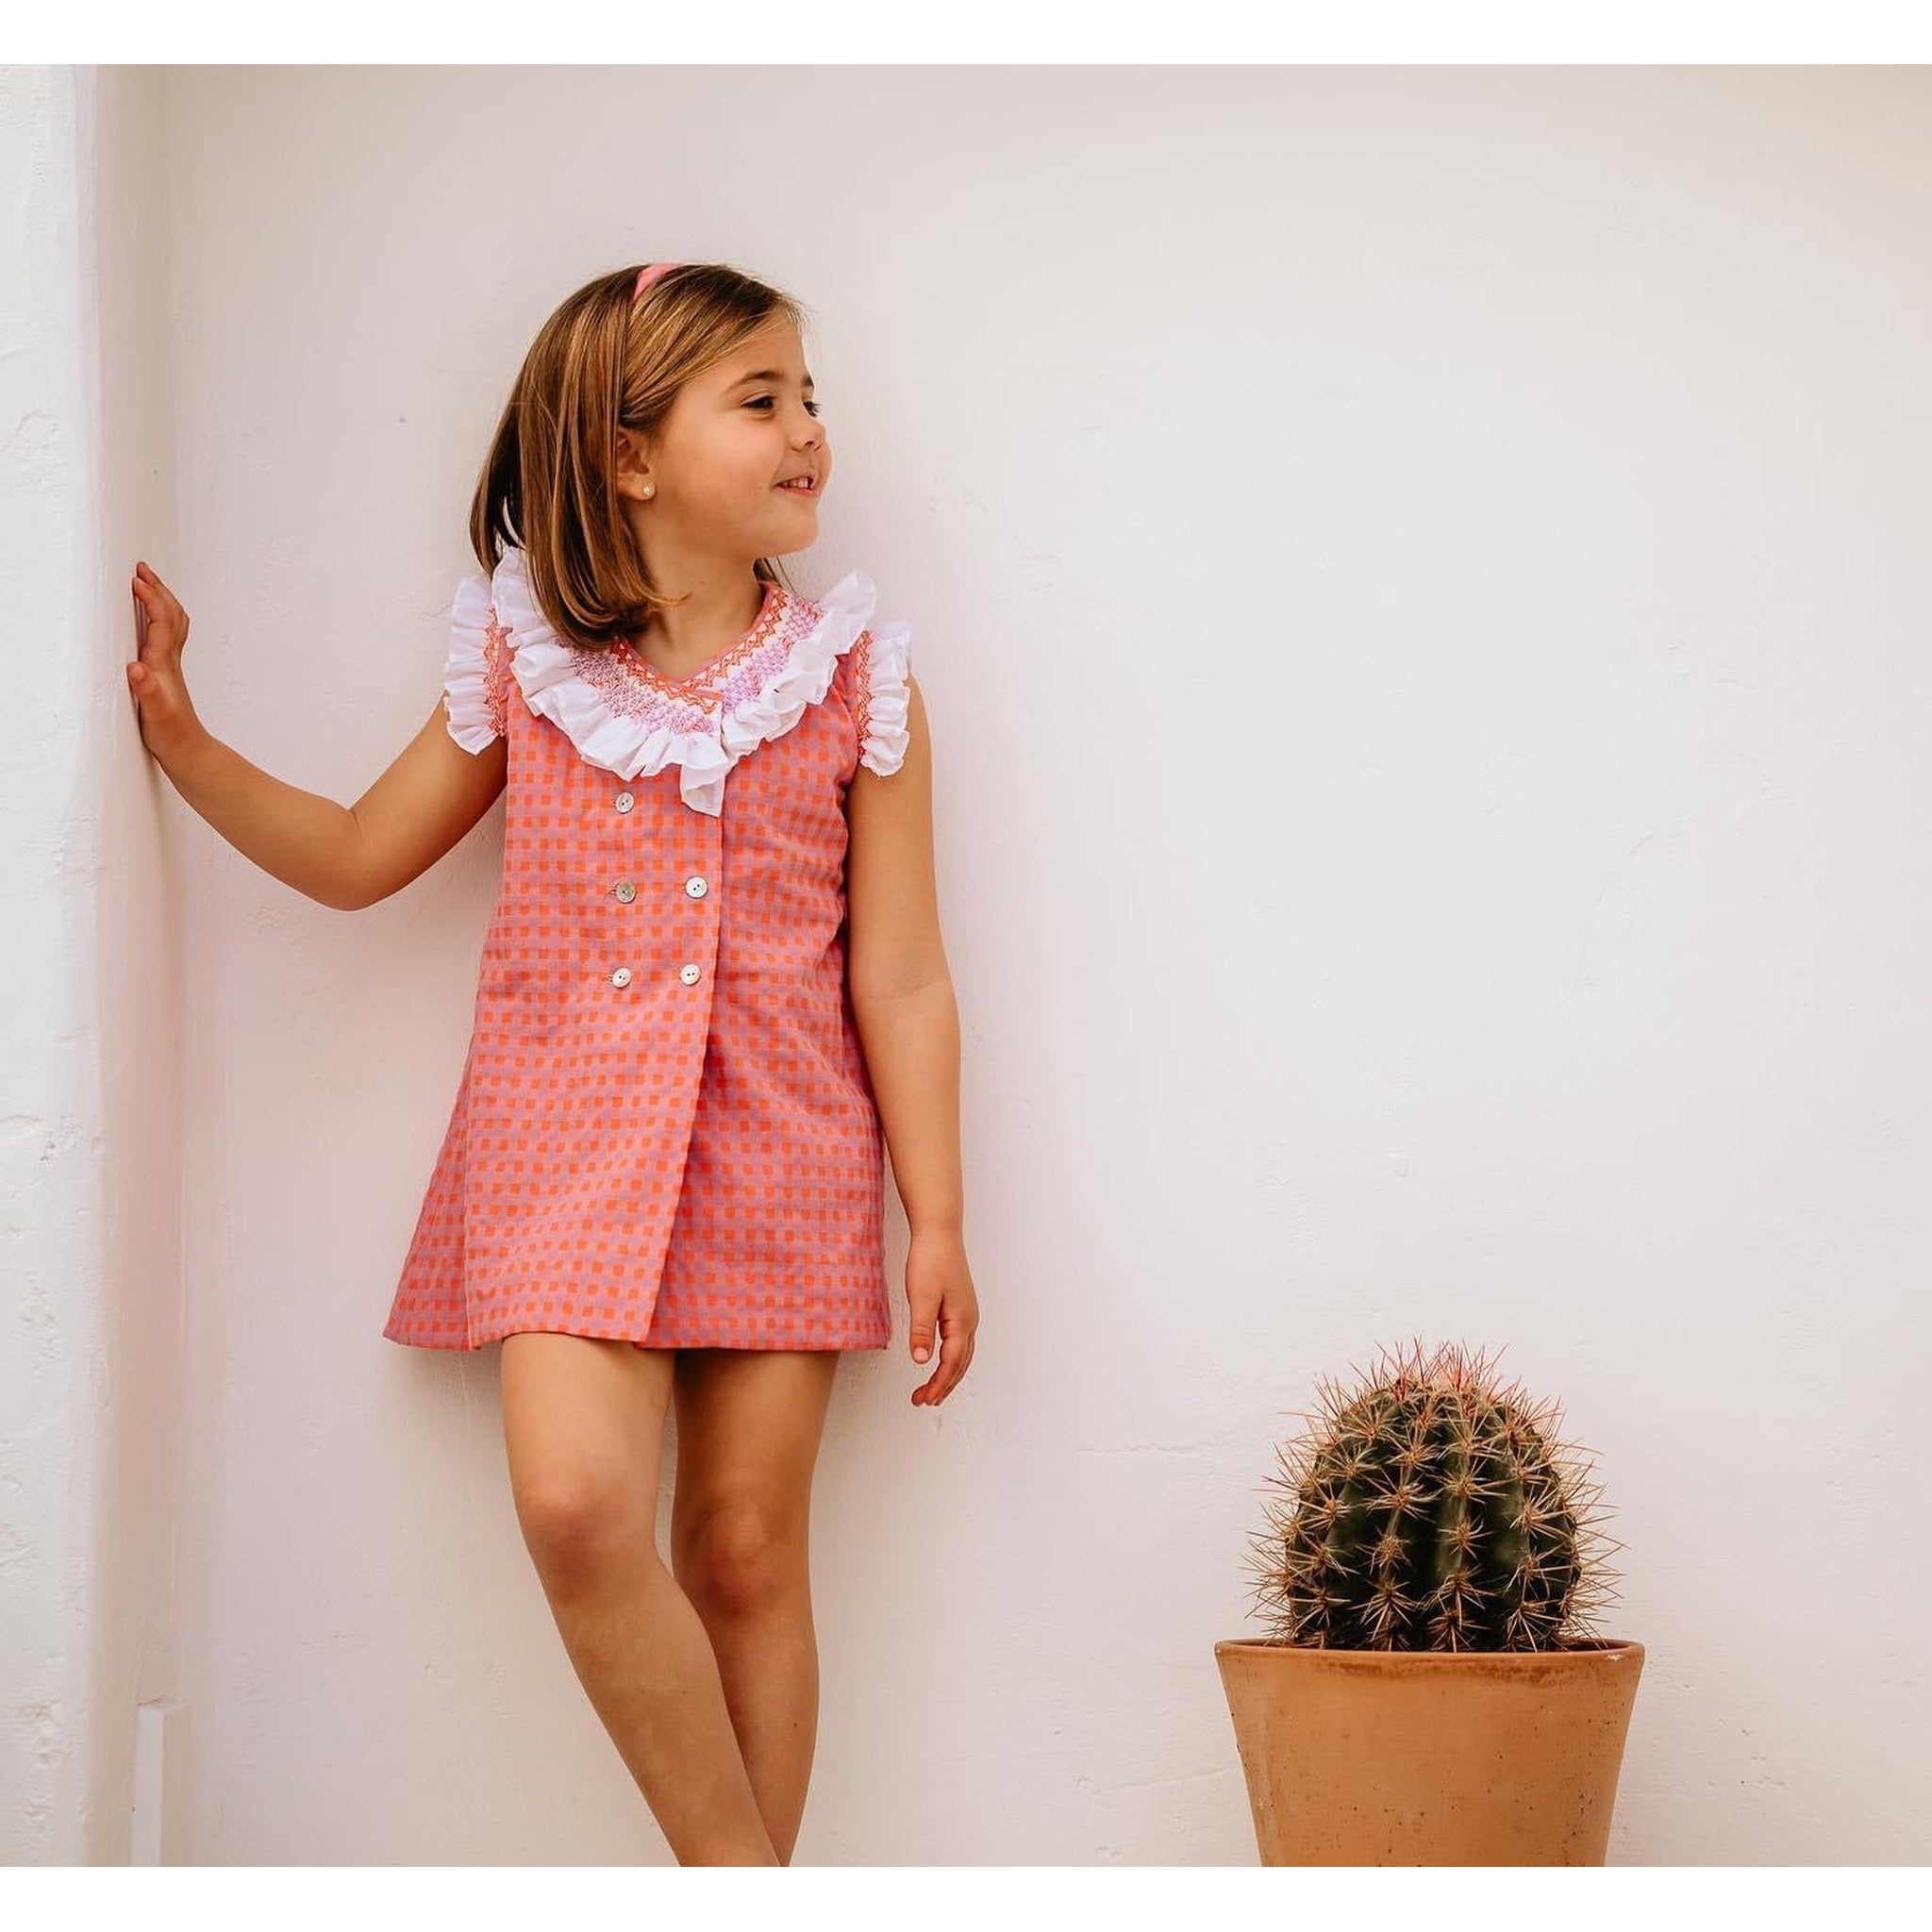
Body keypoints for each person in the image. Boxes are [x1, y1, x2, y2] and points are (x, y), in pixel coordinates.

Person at [124, 259, 978, 1865]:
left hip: (789, 1153)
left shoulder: (862, 683)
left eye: (812, 397)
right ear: (628, 456)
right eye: (764, 400)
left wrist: (936, 1216)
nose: (812, 433)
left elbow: (908, 977)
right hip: (563, 1145)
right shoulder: (526, 666)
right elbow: (364, 851)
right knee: (580, 1510)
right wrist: (185, 739)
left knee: (741, 1555)